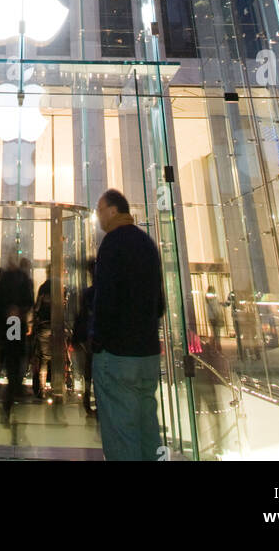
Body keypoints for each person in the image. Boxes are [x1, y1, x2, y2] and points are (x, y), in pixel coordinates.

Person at [91, 189, 165, 461]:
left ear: (113, 210)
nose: (98, 217)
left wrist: (98, 341)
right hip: (147, 354)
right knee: (148, 429)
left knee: (121, 433)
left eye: (100, 210)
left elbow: (106, 300)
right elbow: (159, 304)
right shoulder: (147, 243)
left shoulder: (112, 244)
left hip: (118, 356)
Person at [0, 253, 33, 421]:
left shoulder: (8, 279)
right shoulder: (20, 279)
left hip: (11, 324)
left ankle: (12, 390)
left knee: (13, 357)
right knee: (15, 357)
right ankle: (13, 390)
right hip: (13, 324)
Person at [72, 259, 96, 414]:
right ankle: (92, 400)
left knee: (89, 369)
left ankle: (87, 398)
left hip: (91, 337)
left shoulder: (89, 293)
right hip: (98, 338)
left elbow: (81, 316)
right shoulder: (101, 291)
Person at [31, 270, 53, 397]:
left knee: (43, 358)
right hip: (57, 325)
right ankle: (56, 384)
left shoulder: (44, 287)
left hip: (44, 325)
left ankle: (42, 388)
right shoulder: (61, 288)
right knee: (55, 356)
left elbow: (37, 307)